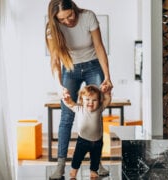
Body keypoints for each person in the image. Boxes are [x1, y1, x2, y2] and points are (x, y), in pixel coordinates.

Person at [45, 0, 113, 179]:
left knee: (96, 111)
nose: (68, 21)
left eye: (70, 15)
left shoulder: (88, 16)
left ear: (74, 8)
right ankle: (60, 166)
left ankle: (96, 163)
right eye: (62, 20)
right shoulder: (52, 29)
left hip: (93, 66)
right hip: (70, 68)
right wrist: (59, 86)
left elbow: (99, 47)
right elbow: (54, 61)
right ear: (55, 19)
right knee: (66, 117)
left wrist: (107, 76)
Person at [62, 85, 111, 179]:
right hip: (82, 141)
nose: (91, 103)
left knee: (95, 159)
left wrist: (107, 93)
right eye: (87, 99)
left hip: (97, 141)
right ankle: (74, 170)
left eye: (94, 100)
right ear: (81, 100)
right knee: (77, 157)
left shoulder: (99, 109)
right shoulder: (79, 109)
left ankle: (93, 171)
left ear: (99, 100)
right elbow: (70, 103)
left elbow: (107, 100)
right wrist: (66, 99)